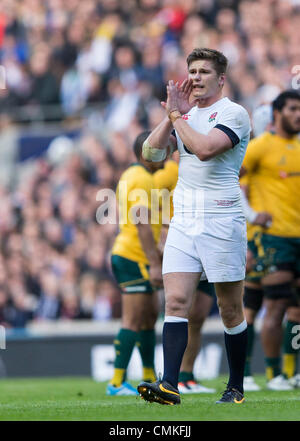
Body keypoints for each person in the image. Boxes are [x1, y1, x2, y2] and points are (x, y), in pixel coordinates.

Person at [138, 47, 251, 405]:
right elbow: (151, 156)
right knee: (175, 300)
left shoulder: (234, 113)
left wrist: (177, 115)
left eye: (204, 71)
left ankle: (235, 387)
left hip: (222, 218)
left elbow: (203, 149)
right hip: (184, 220)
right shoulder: (184, 116)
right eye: (193, 71)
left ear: (221, 79)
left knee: (229, 307)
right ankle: (170, 385)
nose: (197, 77)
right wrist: (171, 117)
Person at [240, 90, 300, 391]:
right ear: (277, 114)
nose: (298, 114)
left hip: (297, 237)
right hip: (271, 239)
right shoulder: (259, 147)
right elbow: (230, 179)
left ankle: (291, 372)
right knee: (270, 305)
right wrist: (251, 215)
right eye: (293, 109)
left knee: (296, 309)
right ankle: (271, 373)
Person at [106, 131, 164, 396]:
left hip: (135, 254)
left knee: (149, 317)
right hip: (133, 256)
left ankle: (149, 376)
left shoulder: (136, 175)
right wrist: (154, 263)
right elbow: (141, 221)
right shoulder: (140, 178)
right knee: (132, 320)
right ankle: (116, 383)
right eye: (162, 148)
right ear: (146, 152)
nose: (167, 153)